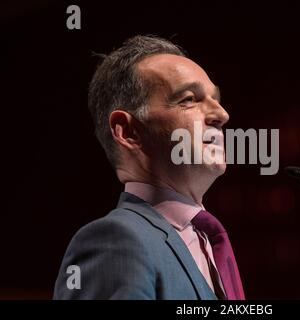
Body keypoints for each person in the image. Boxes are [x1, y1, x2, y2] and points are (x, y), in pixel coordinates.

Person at [53, 35, 245, 300]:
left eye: (216, 99)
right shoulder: (115, 242)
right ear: (129, 131)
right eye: (189, 98)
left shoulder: (207, 244)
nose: (221, 114)